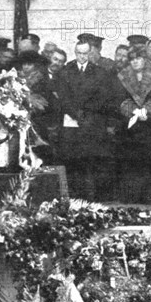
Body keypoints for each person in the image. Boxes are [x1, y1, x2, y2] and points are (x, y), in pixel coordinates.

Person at [55, 41, 115, 200]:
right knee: (72, 159)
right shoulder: (65, 71)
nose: (82, 56)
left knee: (90, 159)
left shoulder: (100, 72)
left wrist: (87, 113)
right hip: (71, 122)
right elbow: (63, 97)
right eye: (79, 53)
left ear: (90, 53)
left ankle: (90, 195)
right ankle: (73, 195)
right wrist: (76, 113)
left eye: (85, 53)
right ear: (75, 53)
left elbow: (103, 97)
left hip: (91, 122)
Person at [116, 47, 151, 202]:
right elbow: (119, 97)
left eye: (138, 58)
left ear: (144, 59)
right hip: (129, 125)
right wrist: (134, 111)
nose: (135, 62)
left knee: (149, 161)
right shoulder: (122, 76)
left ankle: (148, 195)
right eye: (132, 59)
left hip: (150, 124)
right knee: (129, 161)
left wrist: (147, 110)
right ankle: (130, 196)